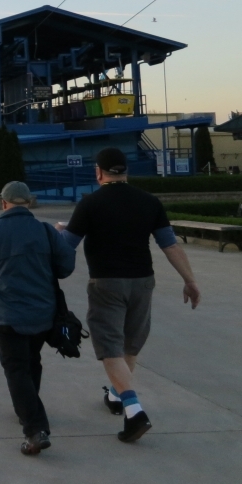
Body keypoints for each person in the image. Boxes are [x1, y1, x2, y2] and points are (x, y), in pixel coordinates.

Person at [59, 147, 201, 443]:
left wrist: (60, 231)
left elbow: (67, 246)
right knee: (130, 344)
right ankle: (115, 396)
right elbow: (170, 245)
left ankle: (134, 411)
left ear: (98, 172)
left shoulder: (90, 203)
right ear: (125, 171)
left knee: (110, 346)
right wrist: (190, 280)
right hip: (142, 282)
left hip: (107, 283)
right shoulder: (149, 202)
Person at [0, 181, 76, 456]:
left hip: (8, 315)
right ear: (29, 203)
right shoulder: (46, 231)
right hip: (43, 314)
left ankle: (35, 428)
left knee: (15, 368)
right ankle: (27, 408)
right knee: (31, 360)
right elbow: (66, 267)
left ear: (3, 203)